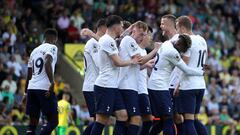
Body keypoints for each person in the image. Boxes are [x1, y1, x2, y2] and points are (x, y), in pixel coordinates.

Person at [90, 15, 141, 135]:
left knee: (122, 115)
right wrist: (132, 61)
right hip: (105, 85)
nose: (123, 29)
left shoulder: (109, 40)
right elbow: (117, 62)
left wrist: (129, 30)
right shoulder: (107, 40)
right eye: (122, 26)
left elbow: (119, 38)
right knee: (102, 120)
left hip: (112, 86)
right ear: (116, 26)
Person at [148, 34, 204, 135]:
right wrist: (200, 72)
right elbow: (186, 70)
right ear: (178, 44)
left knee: (163, 120)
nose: (181, 52)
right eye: (182, 49)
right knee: (169, 118)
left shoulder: (166, 43)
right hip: (159, 87)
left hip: (155, 85)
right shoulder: (173, 52)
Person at [175, 16, 209, 135]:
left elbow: (185, 63)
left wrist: (178, 84)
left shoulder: (187, 40)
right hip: (200, 84)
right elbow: (205, 62)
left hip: (189, 85)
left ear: (183, 27)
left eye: (177, 28)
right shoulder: (202, 39)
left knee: (188, 121)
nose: (177, 32)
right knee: (194, 119)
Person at [25, 28, 58, 135]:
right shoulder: (52, 47)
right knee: (53, 121)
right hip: (44, 89)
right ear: (55, 39)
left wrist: (25, 92)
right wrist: (52, 82)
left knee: (32, 123)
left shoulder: (34, 51)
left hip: (31, 89)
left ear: (43, 38)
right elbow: (48, 63)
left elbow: (29, 74)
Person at [82, 18, 107, 135]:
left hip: (97, 86)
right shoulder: (93, 43)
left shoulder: (98, 42)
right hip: (92, 86)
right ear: (102, 28)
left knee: (100, 119)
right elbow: (99, 63)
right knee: (98, 119)